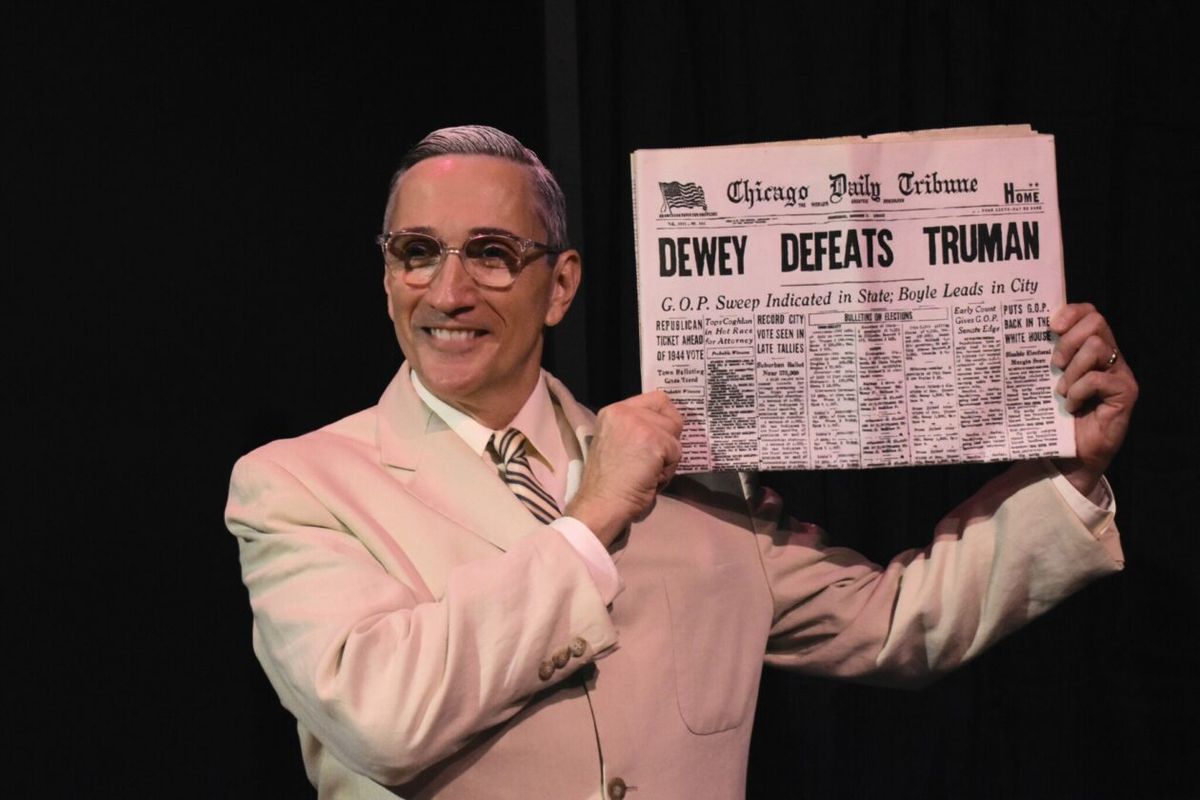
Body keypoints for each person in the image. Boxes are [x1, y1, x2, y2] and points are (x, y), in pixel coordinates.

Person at [225, 125, 1137, 799]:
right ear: (388, 276)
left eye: (494, 256)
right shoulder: (299, 485)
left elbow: (899, 623)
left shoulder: (697, 481)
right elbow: (380, 715)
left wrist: (1071, 474)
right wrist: (591, 521)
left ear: (563, 285)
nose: (449, 291)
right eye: (417, 254)